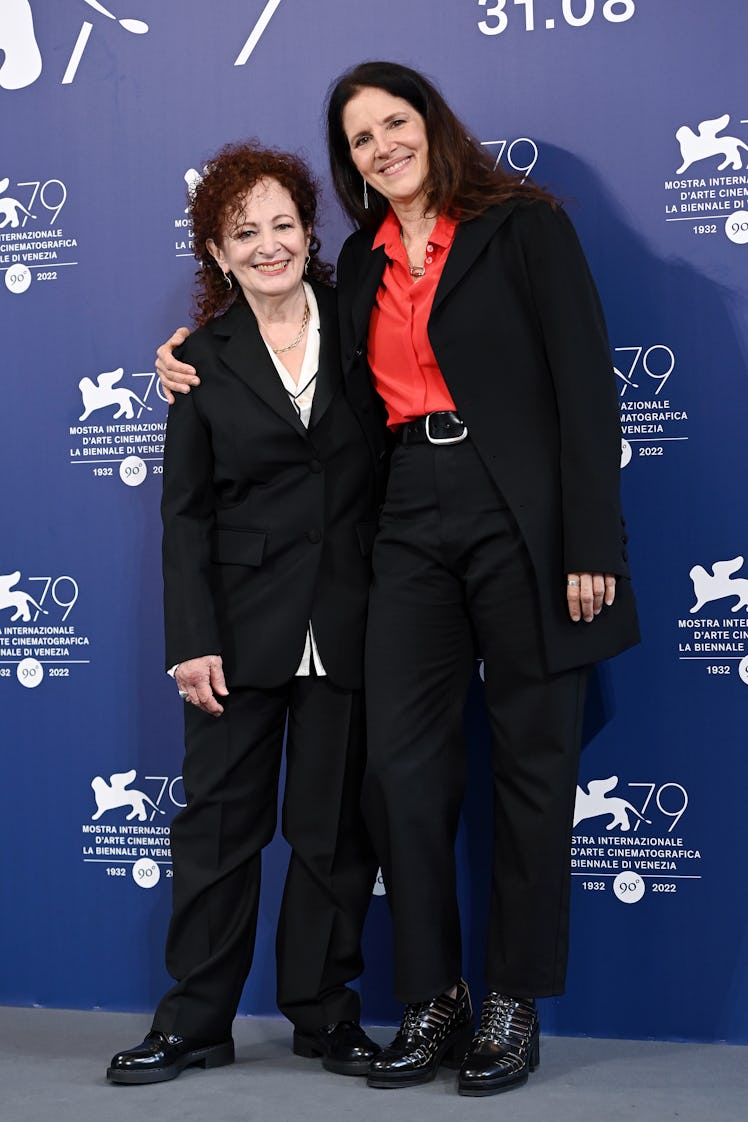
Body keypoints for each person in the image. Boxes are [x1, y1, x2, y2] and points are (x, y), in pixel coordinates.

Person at [156, 61, 640, 1097]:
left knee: (530, 766)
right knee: (400, 775)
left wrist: (590, 541)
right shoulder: (361, 269)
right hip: (407, 514)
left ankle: (510, 1001)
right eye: (360, 139)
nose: (381, 146)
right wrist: (189, 354)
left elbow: (586, 386)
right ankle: (433, 999)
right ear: (351, 165)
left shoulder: (522, 226)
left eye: (394, 122)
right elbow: (268, 337)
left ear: (431, 123)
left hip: (522, 513)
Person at [107, 142, 384, 1086]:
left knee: (334, 832)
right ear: (217, 256)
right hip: (235, 631)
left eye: (282, 224)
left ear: (311, 231)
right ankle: (194, 1023)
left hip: (353, 618)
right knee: (220, 832)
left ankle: (324, 1016)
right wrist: (192, 641)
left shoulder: (367, 323)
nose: (268, 245)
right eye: (243, 233)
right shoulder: (198, 360)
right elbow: (183, 513)